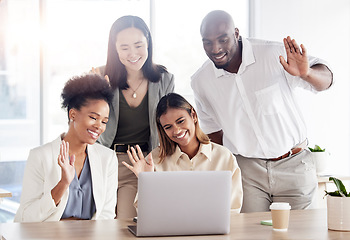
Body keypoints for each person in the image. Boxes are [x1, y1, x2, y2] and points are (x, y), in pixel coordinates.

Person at [191, 10, 333, 213]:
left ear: (236, 33)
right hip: (246, 172)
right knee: (251, 233)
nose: (215, 48)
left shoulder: (273, 54)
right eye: (207, 42)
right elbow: (214, 133)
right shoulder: (201, 81)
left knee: (303, 232)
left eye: (223, 39)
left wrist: (307, 73)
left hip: (293, 164)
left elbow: (326, 80)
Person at [92, 15, 174, 219]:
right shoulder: (100, 76)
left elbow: (170, 127)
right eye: (124, 47)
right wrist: (93, 90)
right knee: (95, 227)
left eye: (138, 45)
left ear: (148, 44)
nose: (133, 54)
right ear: (115, 48)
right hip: (103, 162)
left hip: (139, 163)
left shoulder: (164, 79)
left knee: (125, 225)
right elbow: (86, 122)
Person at [14, 74, 118, 222]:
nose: (99, 126)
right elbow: (26, 217)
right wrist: (63, 184)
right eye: (93, 118)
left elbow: (107, 215)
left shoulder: (107, 158)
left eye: (104, 121)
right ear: (73, 114)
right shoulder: (40, 156)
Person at [123, 93, 243, 213]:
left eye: (180, 121)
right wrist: (147, 181)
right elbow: (145, 214)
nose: (177, 130)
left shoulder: (224, 157)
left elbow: (233, 210)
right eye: (168, 127)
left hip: (214, 230)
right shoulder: (154, 160)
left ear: (194, 115)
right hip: (170, 230)